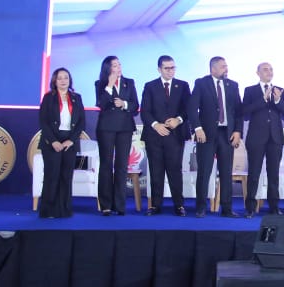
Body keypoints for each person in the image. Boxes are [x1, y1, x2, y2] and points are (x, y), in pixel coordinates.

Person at [188, 56, 243, 218]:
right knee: (204, 172)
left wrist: (238, 131)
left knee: (226, 172)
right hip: (206, 134)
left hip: (227, 134)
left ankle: (226, 209)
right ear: (213, 69)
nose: (226, 69)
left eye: (226, 66)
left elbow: (238, 111)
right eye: (223, 66)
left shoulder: (233, 85)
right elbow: (192, 108)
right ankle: (201, 207)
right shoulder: (201, 83)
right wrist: (198, 128)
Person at [139, 55, 190, 216]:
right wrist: (156, 125)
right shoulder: (150, 86)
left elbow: (188, 109)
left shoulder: (183, 85)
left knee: (175, 170)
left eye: (173, 67)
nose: (170, 71)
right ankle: (155, 205)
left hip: (175, 135)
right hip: (154, 136)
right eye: (167, 68)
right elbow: (145, 111)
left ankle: (179, 205)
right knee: (156, 171)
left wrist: (178, 120)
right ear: (159, 69)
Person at [242, 62, 284, 217]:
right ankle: (250, 207)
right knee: (254, 173)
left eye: (271, 69)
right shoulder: (250, 90)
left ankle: (274, 207)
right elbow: (245, 113)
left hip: (275, 138)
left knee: (274, 174)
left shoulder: (279, 90)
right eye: (265, 69)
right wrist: (262, 100)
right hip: (256, 138)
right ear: (257, 73)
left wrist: (277, 101)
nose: (269, 72)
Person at [38, 67, 84, 219]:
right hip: (51, 141)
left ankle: (64, 210)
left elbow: (81, 122)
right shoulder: (48, 98)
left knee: (66, 176)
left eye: (66, 77)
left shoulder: (77, 98)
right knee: (52, 176)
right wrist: (53, 141)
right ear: (54, 81)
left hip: (69, 141)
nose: (63, 81)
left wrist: (71, 140)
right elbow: (43, 122)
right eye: (60, 78)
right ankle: (48, 210)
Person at [95, 55, 138, 216]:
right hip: (106, 128)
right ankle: (106, 204)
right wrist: (109, 85)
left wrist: (124, 104)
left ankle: (119, 205)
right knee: (106, 165)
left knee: (121, 166)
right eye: (114, 65)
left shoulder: (129, 82)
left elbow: (135, 105)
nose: (118, 68)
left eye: (119, 65)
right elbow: (101, 103)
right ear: (108, 68)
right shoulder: (100, 84)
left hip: (125, 128)